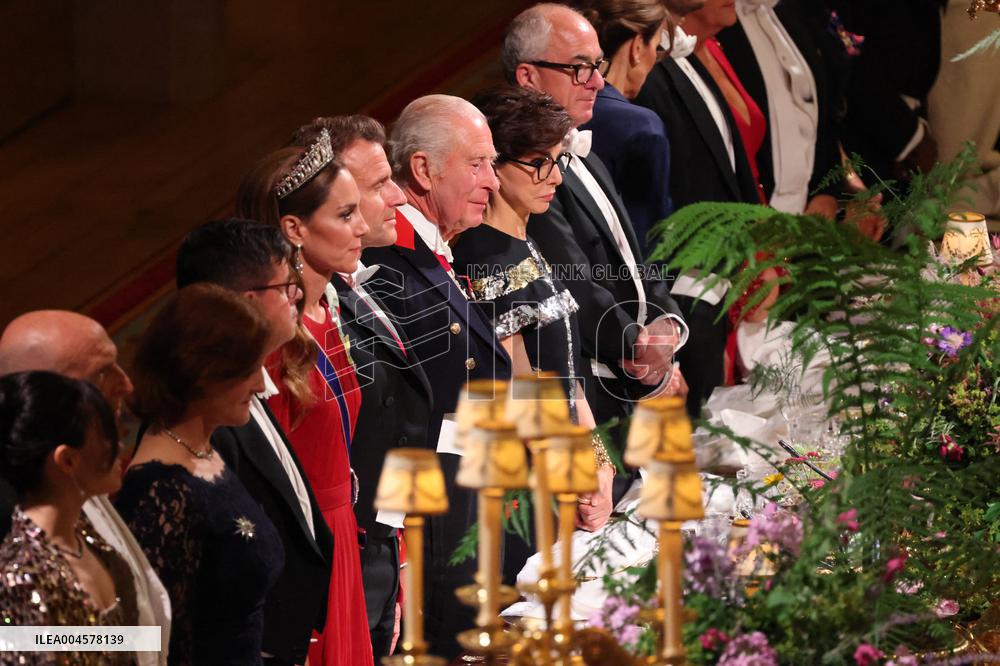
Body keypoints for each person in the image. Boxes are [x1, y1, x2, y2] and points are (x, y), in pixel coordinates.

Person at [504, 3, 688, 474]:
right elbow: (576, 286)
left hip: (636, 383)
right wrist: (644, 354)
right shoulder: (519, 171)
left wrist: (669, 328)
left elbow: (637, 261)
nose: (599, 82)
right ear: (528, 76)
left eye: (597, 65)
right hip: (597, 393)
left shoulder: (588, 153)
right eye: (579, 68)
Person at [361, 94, 513, 660]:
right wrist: (406, 556)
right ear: (423, 169)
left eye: (494, 164)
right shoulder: (389, 266)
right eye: (477, 164)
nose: (493, 182)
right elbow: (400, 425)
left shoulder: (435, 253)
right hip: (431, 529)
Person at [289, 115, 432, 659]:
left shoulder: (349, 290)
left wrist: (397, 549)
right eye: (370, 190)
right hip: (338, 549)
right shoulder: (292, 330)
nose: (397, 196)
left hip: (380, 542)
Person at [235, 132, 374, 666]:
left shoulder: (328, 309)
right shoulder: (272, 343)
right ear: (293, 228)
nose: (362, 227)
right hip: (308, 551)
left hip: (345, 535)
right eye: (345, 215)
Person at [175, 219, 334, 666]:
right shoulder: (206, 424)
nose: (298, 295)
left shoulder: (246, 394)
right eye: (286, 286)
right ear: (247, 303)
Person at [116, 284, 285, 665]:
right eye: (248, 371)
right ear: (204, 375)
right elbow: (159, 642)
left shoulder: (208, 449)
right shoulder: (160, 492)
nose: (260, 385)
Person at [0, 311, 171, 666]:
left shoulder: (75, 504)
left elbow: (112, 632)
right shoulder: (17, 555)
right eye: (102, 372)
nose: (126, 384)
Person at [0, 371, 137, 666]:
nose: (120, 447)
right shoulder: (21, 577)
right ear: (67, 460)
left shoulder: (83, 536)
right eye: (106, 436)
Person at [715, 0, 840, 216]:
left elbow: (816, 111)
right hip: (757, 222)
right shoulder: (714, 24)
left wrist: (827, 190)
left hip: (810, 216)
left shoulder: (787, 11)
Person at [576, 0, 673, 255]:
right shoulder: (641, 127)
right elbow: (652, 241)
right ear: (638, 47)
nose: (656, 57)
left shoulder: (565, 107)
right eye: (657, 46)